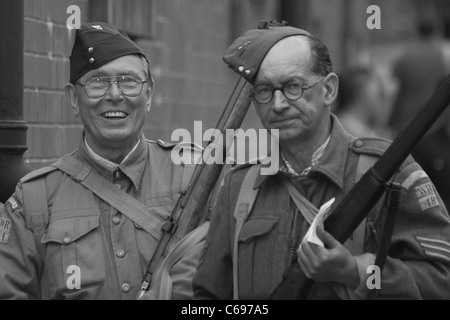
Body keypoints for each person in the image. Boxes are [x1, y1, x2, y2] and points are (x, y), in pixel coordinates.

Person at [193, 22, 450, 299]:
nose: (278, 104)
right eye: (265, 90)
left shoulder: (390, 173)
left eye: (293, 86)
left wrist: (356, 271)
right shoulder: (238, 186)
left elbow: (440, 281)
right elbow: (207, 297)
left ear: (328, 90)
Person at [0, 22, 201, 299]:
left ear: (149, 95)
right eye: (97, 82)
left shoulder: (193, 176)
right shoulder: (34, 198)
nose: (115, 95)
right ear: (73, 98)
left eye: (129, 81)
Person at [335, 66, 390, 139]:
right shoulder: (363, 138)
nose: (383, 102)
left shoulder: (337, 125)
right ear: (364, 95)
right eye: (380, 94)